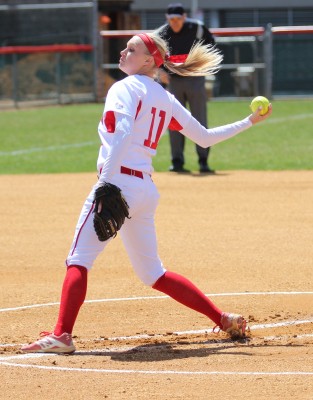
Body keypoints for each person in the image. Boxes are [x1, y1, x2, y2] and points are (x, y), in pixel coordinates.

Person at [21, 30, 272, 354]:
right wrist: (249, 121)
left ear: (150, 60)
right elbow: (205, 137)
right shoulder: (164, 96)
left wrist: (105, 183)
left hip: (119, 183)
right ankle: (222, 318)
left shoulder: (124, 88)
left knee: (78, 260)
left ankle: (61, 335)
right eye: (125, 48)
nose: (124, 52)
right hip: (144, 190)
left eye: (132, 49)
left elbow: (123, 132)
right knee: (154, 273)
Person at [157, 3, 217, 173]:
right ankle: (177, 161)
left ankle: (203, 160)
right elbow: (154, 55)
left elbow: (212, 47)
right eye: (171, 19)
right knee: (175, 122)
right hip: (174, 82)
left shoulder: (197, 29)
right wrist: (159, 70)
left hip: (195, 79)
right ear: (167, 19)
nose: (174, 22)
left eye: (177, 18)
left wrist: (203, 65)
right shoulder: (163, 33)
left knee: (199, 120)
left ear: (184, 17)